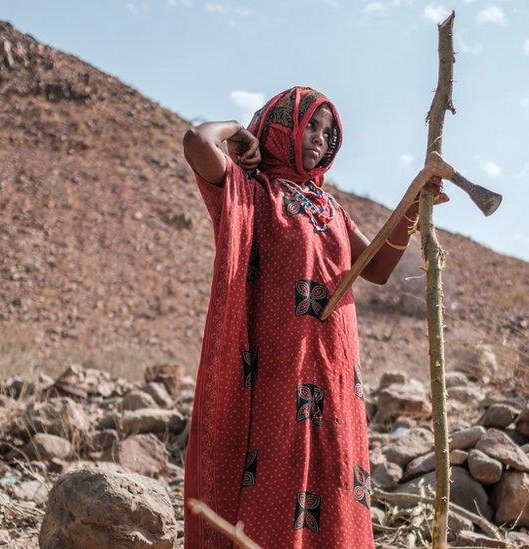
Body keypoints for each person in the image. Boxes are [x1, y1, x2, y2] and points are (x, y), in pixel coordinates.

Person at [180, 86, 446, 548]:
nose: (321, 139)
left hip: (335, 373)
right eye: (310, 127)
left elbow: (377, 268)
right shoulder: (250, 193)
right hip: (275, 372)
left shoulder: (330, 208)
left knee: (335, 476)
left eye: (328, 132)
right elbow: (196, 142)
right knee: (276, 478)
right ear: (281, 127)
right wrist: (240, 131)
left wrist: (413, 205)